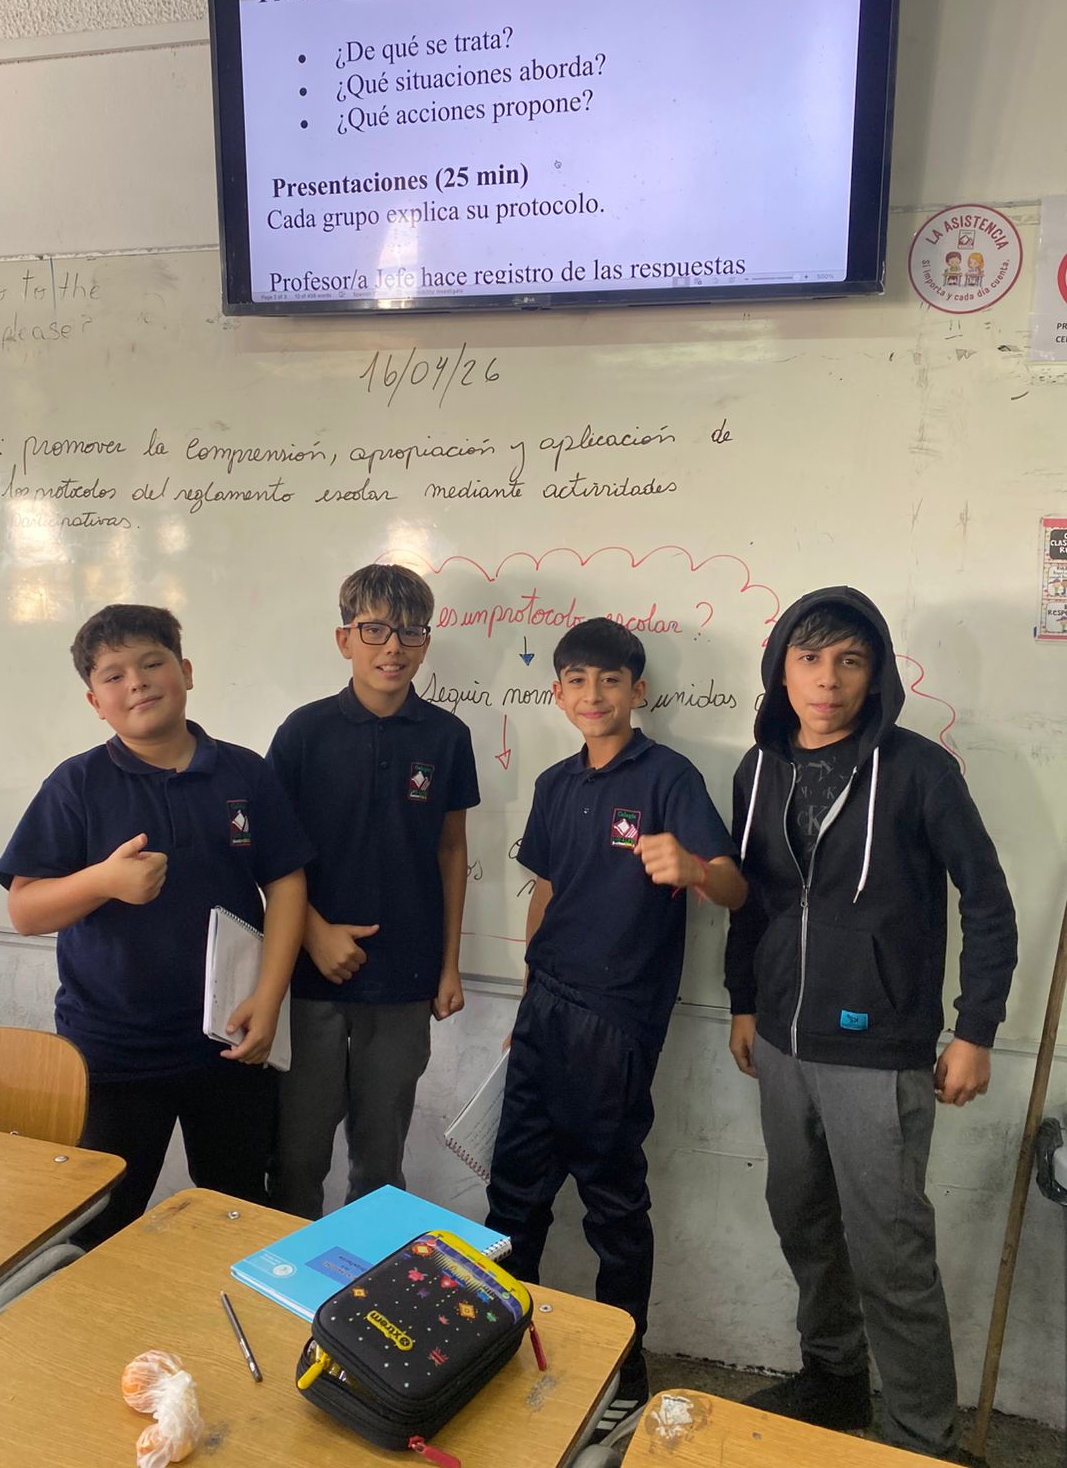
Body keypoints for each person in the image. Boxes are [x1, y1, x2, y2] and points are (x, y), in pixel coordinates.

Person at [724, 587, 1018, 1458]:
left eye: (850, 661)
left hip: (879, 1049)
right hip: (781, 1040)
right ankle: (834, 1377)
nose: (829, 679)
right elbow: (753, 900)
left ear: (876, 672)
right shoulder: (758, 769)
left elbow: (988, 900)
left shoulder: (920, 770)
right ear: (781, 670)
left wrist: (975, 1030)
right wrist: (743, 1001)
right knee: (803, 1222)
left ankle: (923, 1436)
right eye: (810, 659)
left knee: (890, 1249)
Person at [485, 617, 746, 1437]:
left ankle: (625, 1375)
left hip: (616, 1020)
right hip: (546, 1011)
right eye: (577, 680)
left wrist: (694, 869)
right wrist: (528, 997)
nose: (592, 694)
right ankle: (499, 1347)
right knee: (512, 1196)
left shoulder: (667, 776)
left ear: (638, 691)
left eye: (609, 680)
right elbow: (547, 890)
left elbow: (734, 885)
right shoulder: (556, 783)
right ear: (558, 693)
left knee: (611, 1203)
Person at [0, 604, 311, 1244]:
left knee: (237, 1213)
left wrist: (270, 999)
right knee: (99, 1223)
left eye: (151, 663)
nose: (136, 682)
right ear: (95, 702)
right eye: (114, 675)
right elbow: (25, 910)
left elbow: (285, 882)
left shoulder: (245, 773)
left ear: (185, 672)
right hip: (112, 1051)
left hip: (229, 1041)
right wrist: (103, 882)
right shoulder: (77, 784)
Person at [266, 563, 480, 1220]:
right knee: (297, 1158)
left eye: (411, 632)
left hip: (404, 981)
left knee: (381, 1163)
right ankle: (289, 1279)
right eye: (375, 630)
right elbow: (270, 855)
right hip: (311, 981)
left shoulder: (447, 737)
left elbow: (450, 850)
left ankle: (368, 1281)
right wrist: (315, 934)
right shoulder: (303, 733)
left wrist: (448, 966)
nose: (394, 646)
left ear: (426, 642)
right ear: (344, 639)